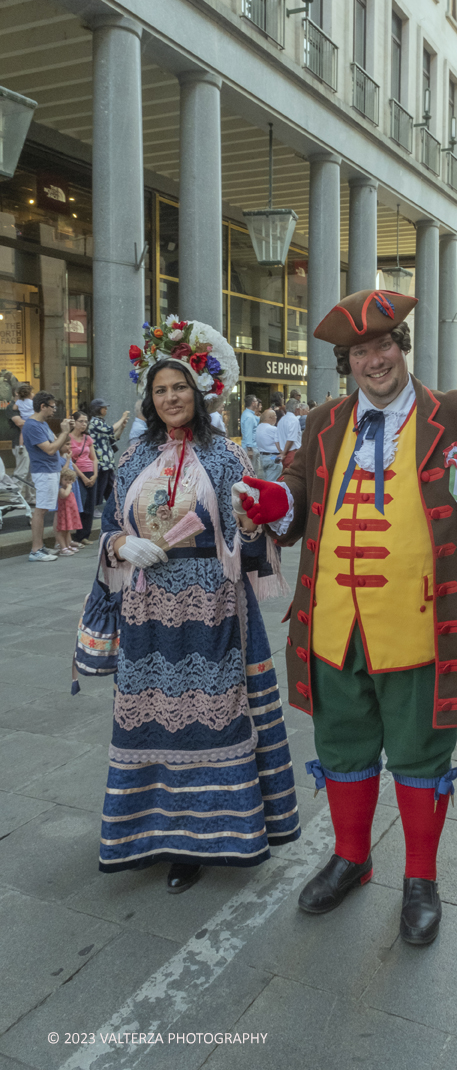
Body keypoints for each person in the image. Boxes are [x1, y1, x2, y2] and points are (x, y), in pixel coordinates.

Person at [238, 290, 457, 945]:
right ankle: (351, 857)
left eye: (385, 343)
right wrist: (276, 502)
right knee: (342, 746)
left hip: (424, 627)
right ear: (348, 361)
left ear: (403, 348)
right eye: (361, 350)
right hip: (336, 625)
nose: (376, 358)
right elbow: (300, 507)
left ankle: (420, 879)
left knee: (422, 754)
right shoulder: (322, 422)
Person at [79, 318, 300, 893]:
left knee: (209, 723)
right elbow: (106, 528)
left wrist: (255, 526)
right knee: (150, 721)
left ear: (199, 391)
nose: (171, 397)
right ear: (149, 399)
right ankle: (149, 832)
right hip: (147, 611)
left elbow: (250, 543)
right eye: (161, 390)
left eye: (179, 387)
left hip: (214, 610)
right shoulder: (132, 458)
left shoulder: (227, 455)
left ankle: (199, 842)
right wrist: (124, 543)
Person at [22, 391, 74, 562]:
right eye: (52, 406)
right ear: (42, 406)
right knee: (41, 509)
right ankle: (35, 549)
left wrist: (67, 431)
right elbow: (51, 449)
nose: (54, 410)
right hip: (43, 471)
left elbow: (58, 447)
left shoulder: (42, 424)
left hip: (51, 470)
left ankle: (40, 546)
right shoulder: (32, 425)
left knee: (43, 510)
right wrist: (64, 432)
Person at [88, 398, 130, 506]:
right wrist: (122, 418)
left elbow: (113, 438)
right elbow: (110, 430)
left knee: (111, 489)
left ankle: (114, 508)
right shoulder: (94, 422)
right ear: (98, 409)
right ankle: (96, 508)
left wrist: (122, 427)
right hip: (101, 463)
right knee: (101, 488)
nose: (106, 409)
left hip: (107, 463)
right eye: (104, 407)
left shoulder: (101, 422)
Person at [70, 409, 99, 545]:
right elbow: (69, 460)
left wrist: (95, 475)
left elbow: (94, 458)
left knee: (89, 505)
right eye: (81, 421)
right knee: (80, 503)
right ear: (74, 422)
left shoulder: (87, 438)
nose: (84, 424)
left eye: (86, 422)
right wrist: (83, 477)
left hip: (90, 472)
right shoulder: (68, 438)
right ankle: (77, 534)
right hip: (77, 474)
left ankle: (84, 535)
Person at [55, 465, 82, 555]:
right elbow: (64, 495)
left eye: (70, 480)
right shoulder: (62, 490)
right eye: (65, 480)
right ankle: (63, 547)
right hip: (63, 513)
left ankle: (67, 545)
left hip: (69, 513)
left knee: (67, 531)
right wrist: (69, 487)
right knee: (61, 531)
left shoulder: (69, 490)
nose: (68, 482)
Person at [254, 408, 283, 481]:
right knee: (272, 482)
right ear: (271, 417)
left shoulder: (258, 428)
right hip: (273, 457)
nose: (276, 418)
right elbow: (281, 442)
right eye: (275, 416)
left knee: (266, 479)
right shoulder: (273, 429)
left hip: (263, 457)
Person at [276, 404, 302, 471]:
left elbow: (276, 439)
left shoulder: (281, 420)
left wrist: (282, 452)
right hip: (292, 453)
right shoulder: (294, 420)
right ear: (296, 409)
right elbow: (291, 439)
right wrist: (283, 453)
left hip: (285, 453)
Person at [240, 394, 262, 472]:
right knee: (253, 472)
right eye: (256, 401)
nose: (257, 403)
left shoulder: (248, 414)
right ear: (253, 403)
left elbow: (258, 419)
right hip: (250, 447)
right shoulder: (249, 417)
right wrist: (249, 449)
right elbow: (248, 433)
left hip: (251, 446)